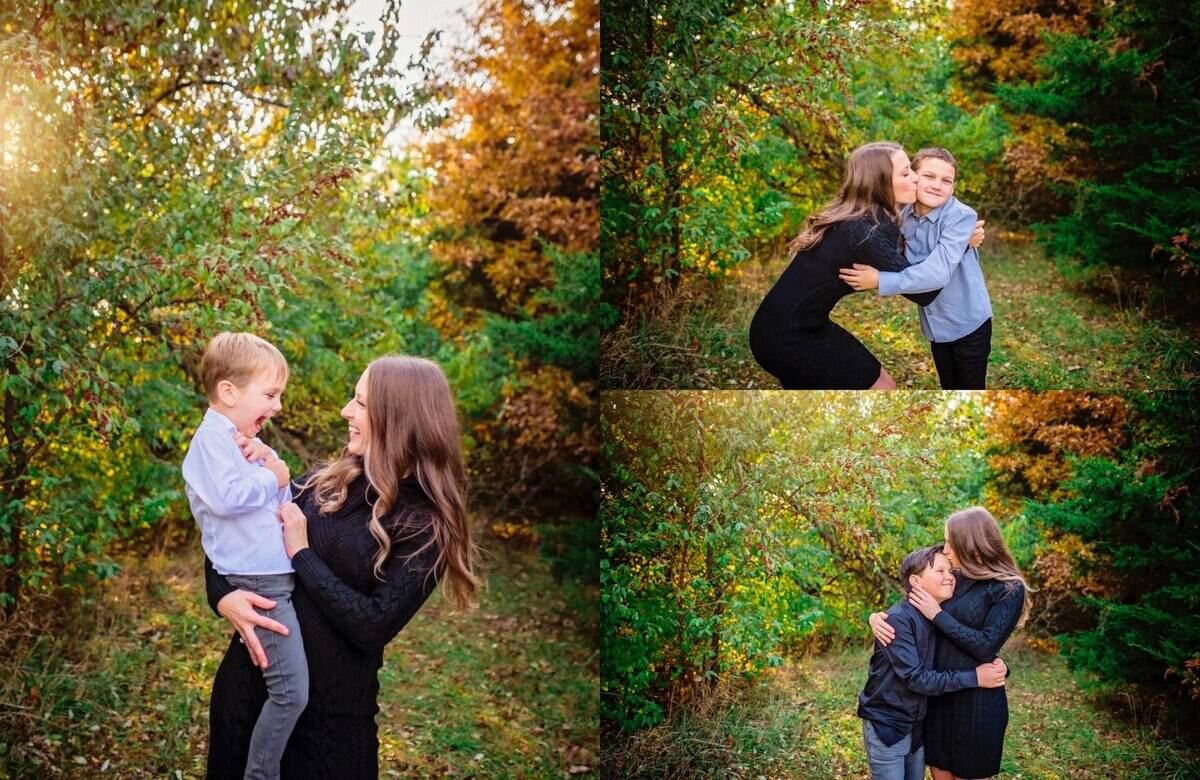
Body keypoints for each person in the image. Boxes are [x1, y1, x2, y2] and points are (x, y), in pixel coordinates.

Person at [204, 355, 482, 779]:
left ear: (398, 418)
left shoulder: (425, 524)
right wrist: (223, 596)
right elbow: (231, 537)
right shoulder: (325, 482)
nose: (345, 412)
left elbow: (373, 624)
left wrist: (302, 556)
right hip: (248, 699)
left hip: (330, 730)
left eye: (360, 403)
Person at [181, 332, 305, 780]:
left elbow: (276, 505)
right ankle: (260, 774)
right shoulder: (209, 442)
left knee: (278, 688)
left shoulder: (236, 440)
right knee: (291, 693)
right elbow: (229, 499)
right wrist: (272, 475)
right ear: (229, 392)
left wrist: (271, 462)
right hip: (259, 585)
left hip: (271, 579)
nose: (277, 407)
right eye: (270, 394)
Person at [750, 141, 938, 389]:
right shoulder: (863, 231)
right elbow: (924, 292)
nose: (916, 178)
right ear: (879, 184)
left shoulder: (865, 218)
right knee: (883, 389)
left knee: (883, 382)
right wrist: (956, 244)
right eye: (905, 173)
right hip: (785, 337)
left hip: (803, 325)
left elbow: (907, 265)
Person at [869, 507, 1031, 780]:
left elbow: (985, 646)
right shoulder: (953, 576)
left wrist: (938, 615)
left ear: (971, 543)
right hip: (938, 699)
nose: (945, 549)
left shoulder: (1008, 588)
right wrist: (876, 617)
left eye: (950, 542)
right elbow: (913, 598)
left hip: (978, 703)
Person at [839, 147, 993, 389]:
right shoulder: (902, 215)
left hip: (969, 322)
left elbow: (937, 273)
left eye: (947, 180)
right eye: (929, 176)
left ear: (953, 187)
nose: (937, 185)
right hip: (936, 325)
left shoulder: (961, 217)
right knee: (948, 385)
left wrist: (880, 280)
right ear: (913, 176)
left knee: (969, 388)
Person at [858, 545, 1008, 780]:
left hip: (918, 727)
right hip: (889, 726)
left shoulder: (938, 616)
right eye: (940, 571)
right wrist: (976, 677)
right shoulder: (897, 619)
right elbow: (915, 678)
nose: (950, 577)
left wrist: (1000, 666)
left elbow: (966, 646)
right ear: (916, 582)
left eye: (951, 571)